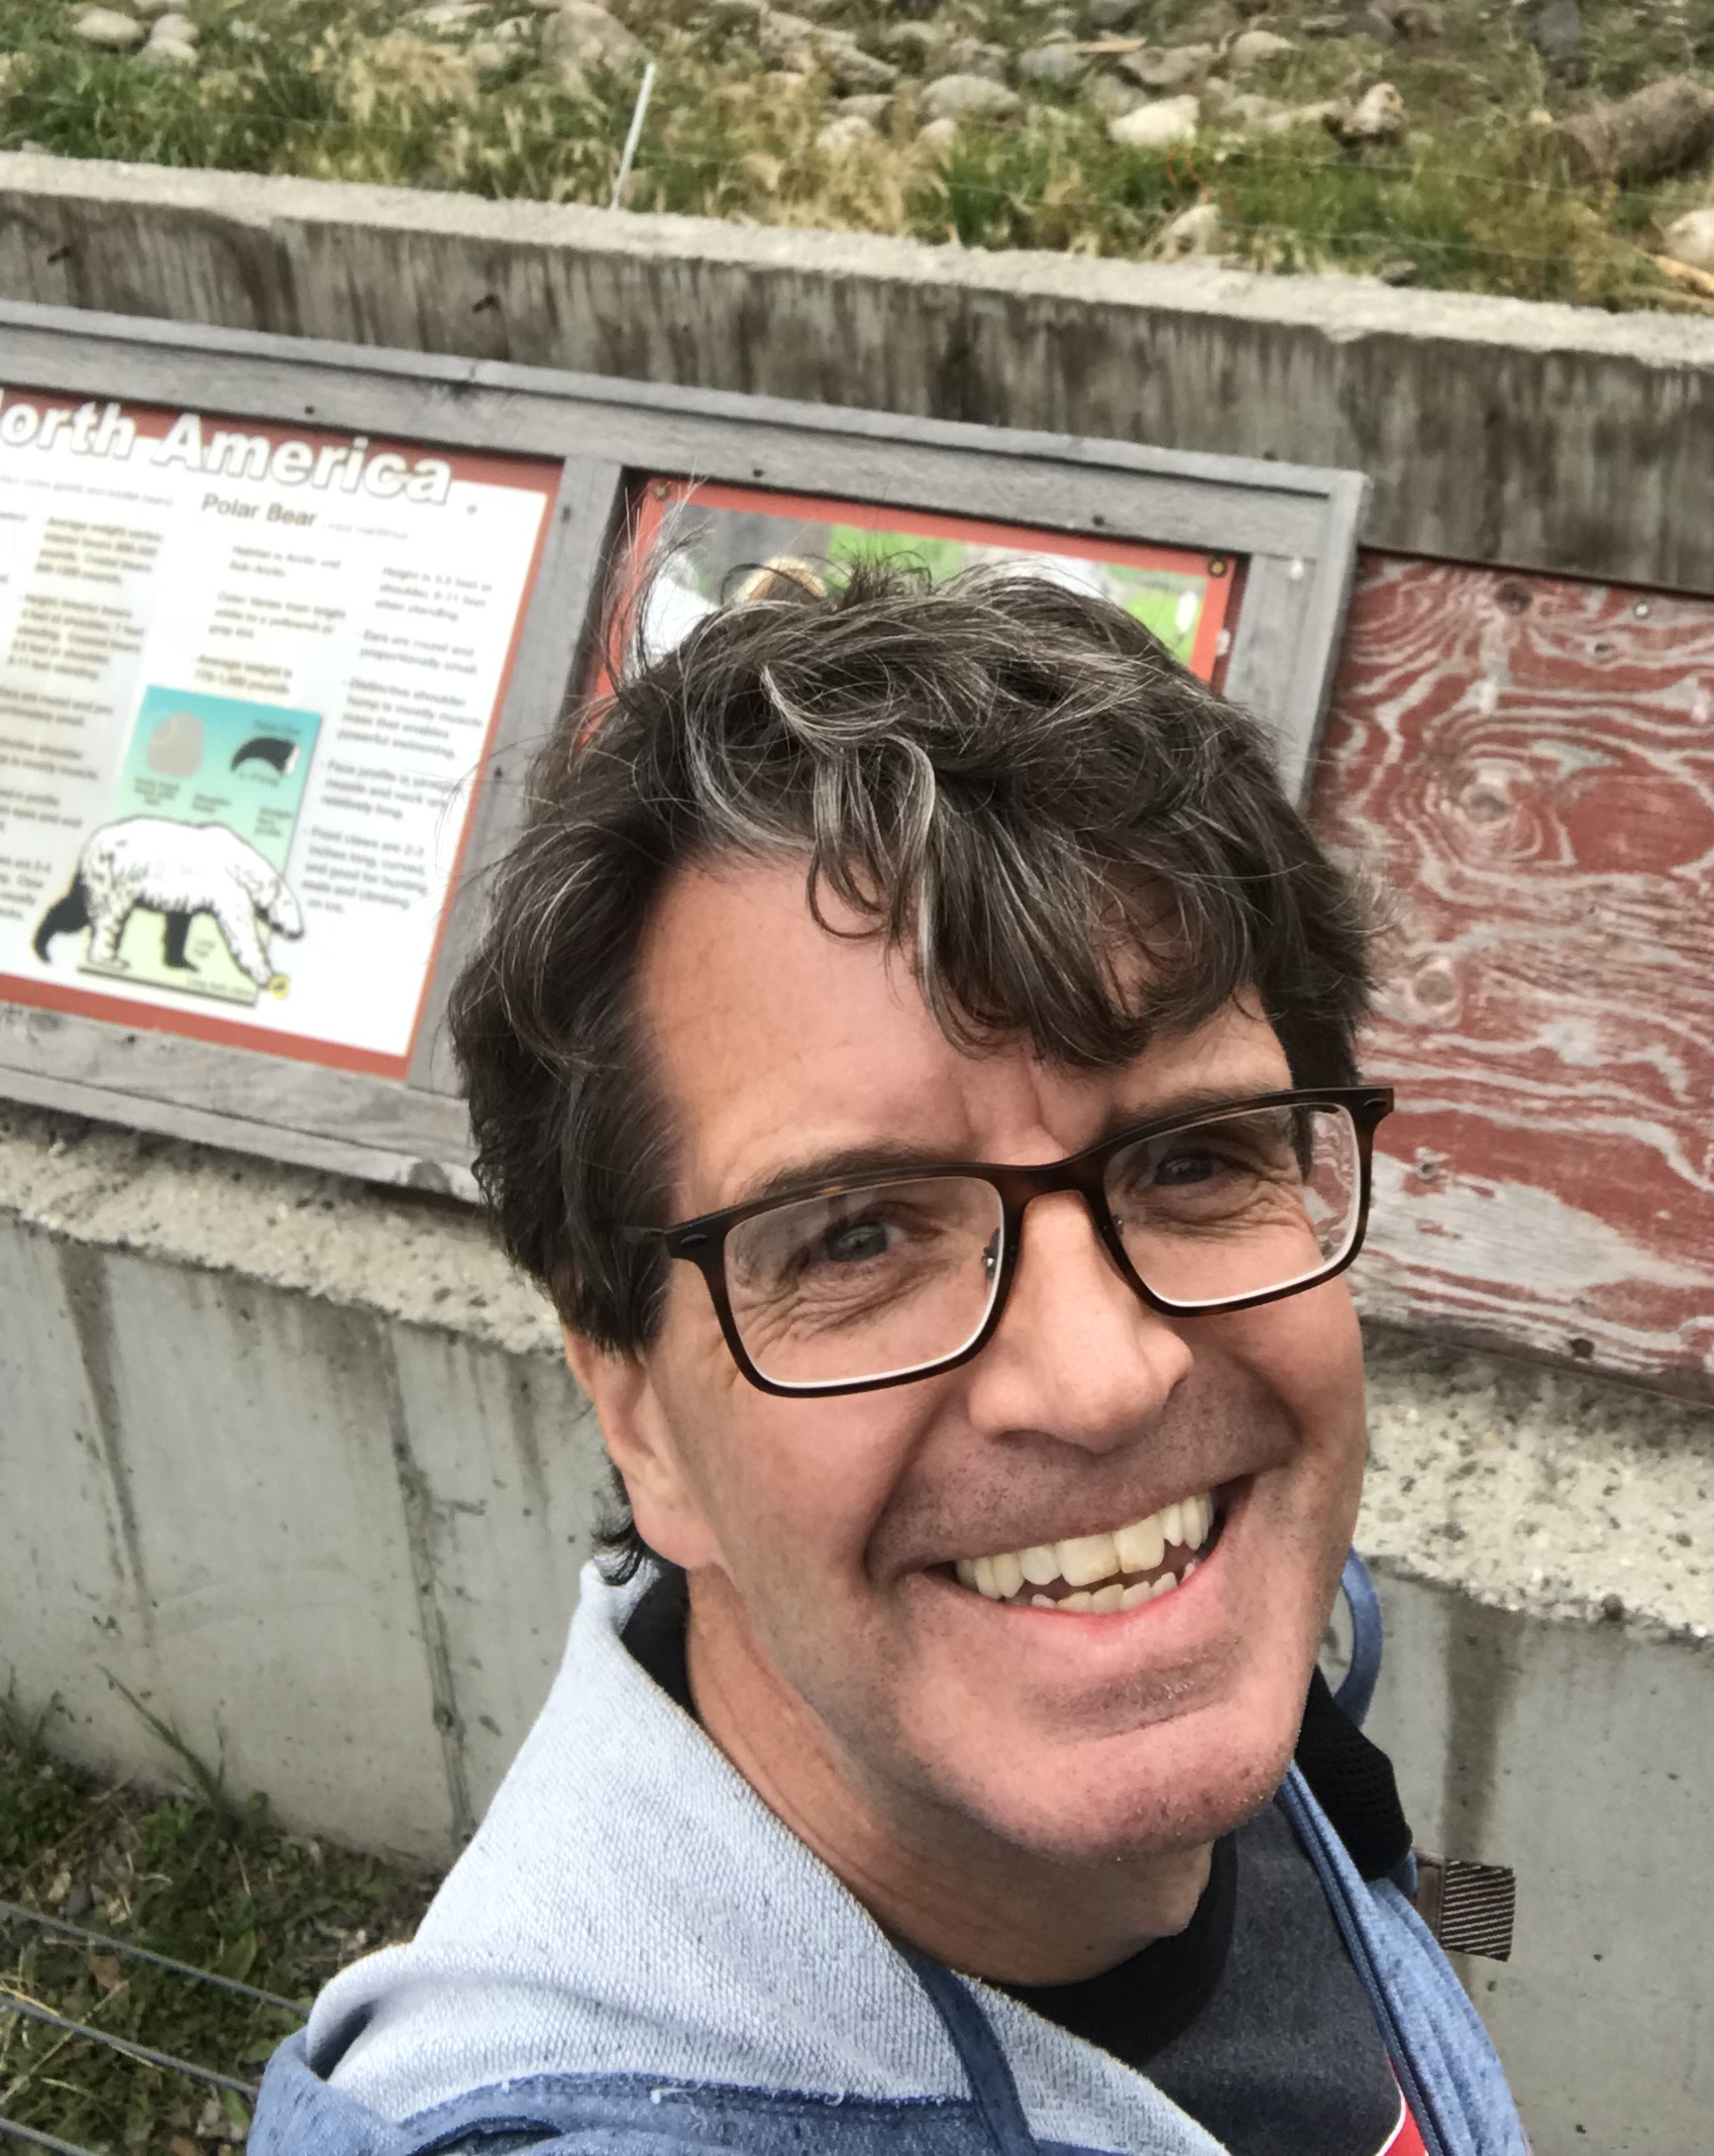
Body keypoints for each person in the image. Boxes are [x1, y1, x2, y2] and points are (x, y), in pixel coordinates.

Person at [251, 566, 1528, 2156]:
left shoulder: (1246, 1633)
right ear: (638, 1412)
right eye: (855, 1238)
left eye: (1194, 1160)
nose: (1102, 1382)